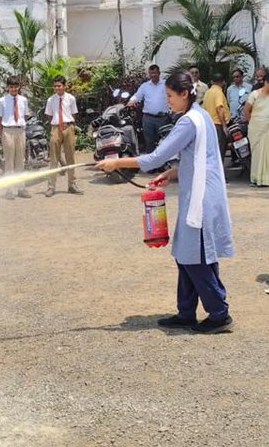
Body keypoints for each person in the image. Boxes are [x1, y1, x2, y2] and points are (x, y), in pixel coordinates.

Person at [94, 71, 234, 334]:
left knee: (196, 257)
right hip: (201, 192)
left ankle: (219, 314)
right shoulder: (200, 115)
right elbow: (199, 157)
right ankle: (186, 312)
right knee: (186, 254)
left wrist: (117, 162)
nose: (167, 100)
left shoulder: (188, 122)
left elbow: (155, 158)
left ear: (185, 94)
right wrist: (173, 173)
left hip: (201, 197)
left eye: (170, 95)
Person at [243, 72, 269, 187]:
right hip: (256, 127)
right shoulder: (254, 94)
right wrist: (252, 123)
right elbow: (246, 110)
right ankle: (257, 178)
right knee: (258, 153)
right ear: (265, 83)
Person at [45, 75, 82, 197]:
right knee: (54, 158)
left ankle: (72, 184)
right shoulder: (51, 100)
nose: (57, 88)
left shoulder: (71, 98)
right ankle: (51, 187)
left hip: (68, 127)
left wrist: (68, 125)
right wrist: (55, 124)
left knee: (70, 157)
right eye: (55, 86)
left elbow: (74, 114)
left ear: (64, 86)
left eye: (59, 86)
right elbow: (49, 115)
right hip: (56, 128)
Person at [0, 76, 32, 198]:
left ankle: (21, 188)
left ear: (19, 87)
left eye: (16, 87)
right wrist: (1, 132)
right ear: (7, 87)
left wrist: (21, 125)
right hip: (8, 131)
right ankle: (9, 190)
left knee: (20, 160)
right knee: (9, 161)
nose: (14, 89)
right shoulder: (2, 100)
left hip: (20, 131)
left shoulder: (23, 100)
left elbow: (25, 115)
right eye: (11, 87)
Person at [129, 65, 170, 154]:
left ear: (159, 73)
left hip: (163, 118)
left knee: (164, 142)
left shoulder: (166, 84)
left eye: (155, 73)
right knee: (149, 142)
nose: (153, 75)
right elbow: (137, 95)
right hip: (148, 119)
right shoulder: (145, 86)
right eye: (151, 73)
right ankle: (151, 161)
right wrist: (132, 101)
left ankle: (164, 161)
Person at [202, 73, 231, 162]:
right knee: (219, 150)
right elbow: (219, 108)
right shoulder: (218, 92)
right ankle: (218, 169)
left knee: (213, 150)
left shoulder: (208, 92)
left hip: (209, 124)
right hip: (218, 125)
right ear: (223, 82)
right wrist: (224, 126)